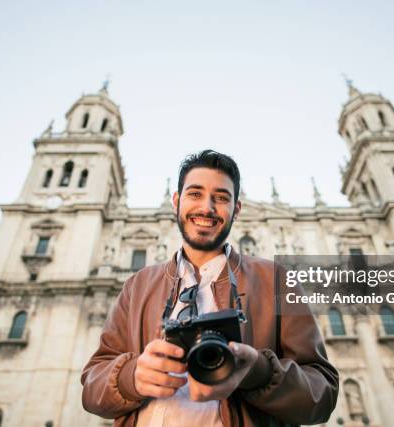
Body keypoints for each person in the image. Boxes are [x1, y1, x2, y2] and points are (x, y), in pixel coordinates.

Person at [81, 150, 339, 426]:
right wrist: (130, 377)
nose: (207, 207)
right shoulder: (137, 285)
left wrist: (259, 372)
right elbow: (92, 388)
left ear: (236, 209)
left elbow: (322, 393)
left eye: (221, 197)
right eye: (195, 194)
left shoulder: (276, 279)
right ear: (176, 202)